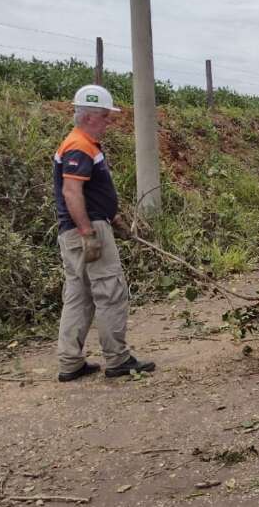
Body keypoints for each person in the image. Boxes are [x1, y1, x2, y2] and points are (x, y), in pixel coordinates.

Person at [53, 85, 155, 381]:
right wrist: (88, 232)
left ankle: (70, 362)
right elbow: (72, 192)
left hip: (81, 228)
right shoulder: (79, 146)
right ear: (89, 117)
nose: (109, 123)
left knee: (79, 294)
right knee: (110, 291)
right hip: (86, 229)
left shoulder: (81, 144)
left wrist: (115, 218)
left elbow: (92, 192)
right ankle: (118, 359)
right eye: (105, 117)